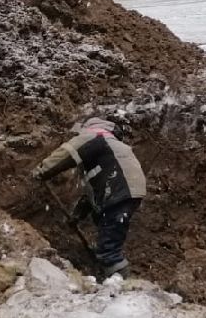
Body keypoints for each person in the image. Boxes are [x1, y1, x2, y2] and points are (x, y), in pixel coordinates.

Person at [33, 116, 145, 277]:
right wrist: (77, 215)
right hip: (127, 192)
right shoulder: (109, 148)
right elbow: (93, 190)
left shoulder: (96, 135)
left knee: (108, 248)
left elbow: (67, 153)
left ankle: (122, 285)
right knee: (109, 229)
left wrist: (41, 171)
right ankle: (110, 273)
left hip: (119, 190)